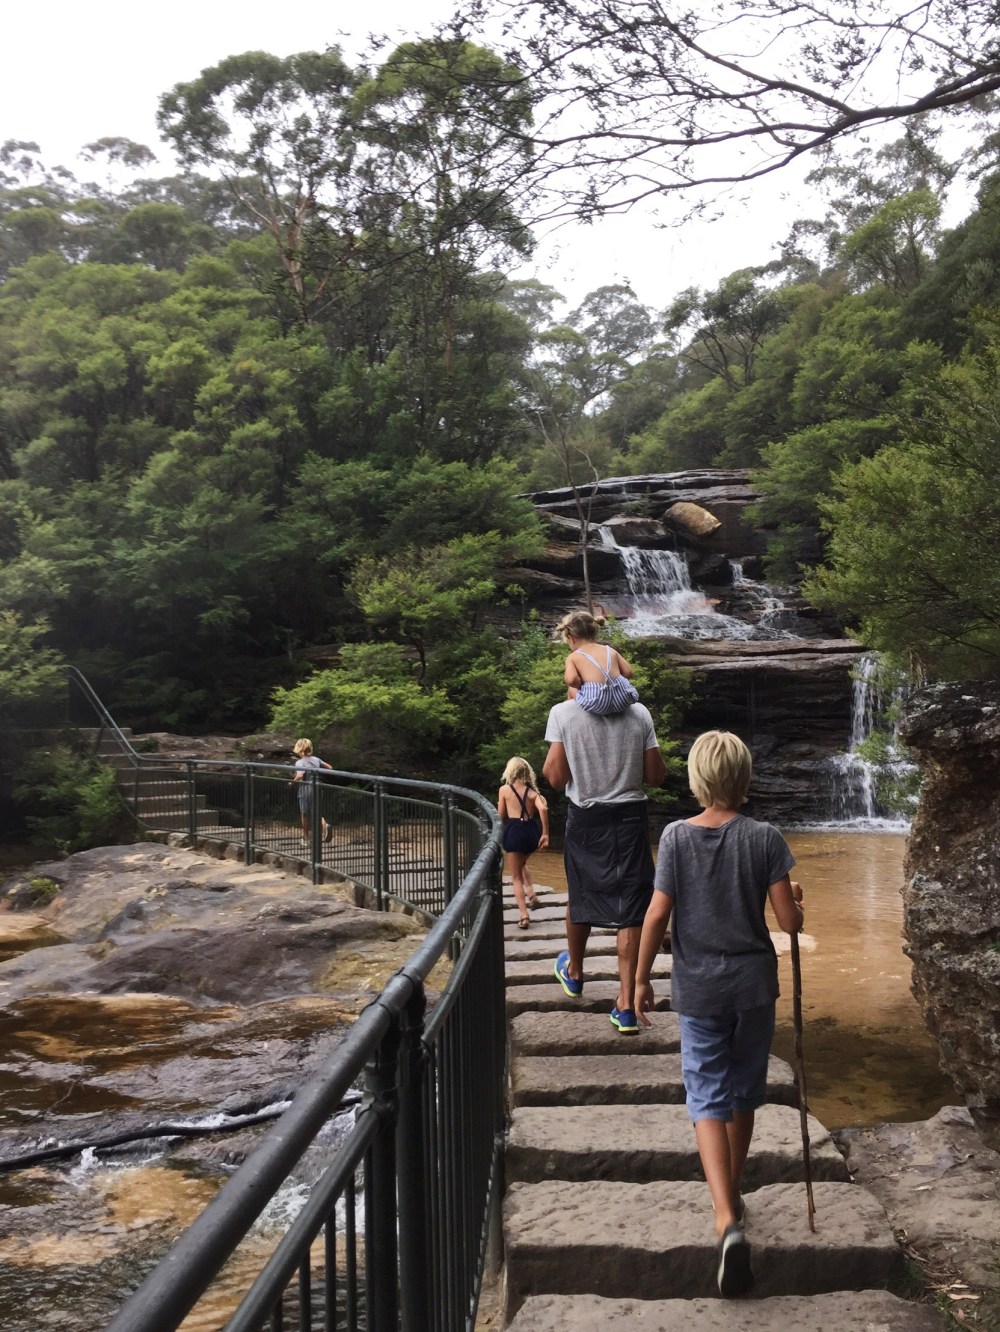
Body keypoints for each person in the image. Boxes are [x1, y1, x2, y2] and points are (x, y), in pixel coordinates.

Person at [634, 729, 804, 1299]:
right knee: (744, 1092)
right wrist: (796, 902)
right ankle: (734, 1191)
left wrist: (638, 980)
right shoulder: (766, 838)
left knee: (706, 1093)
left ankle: (725, 1215)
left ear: (697, 780)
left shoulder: (676, 837)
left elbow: (657, 915)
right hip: (753, 988)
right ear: (745, 778)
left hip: (699, 989)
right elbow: (788, 924)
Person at [542, 677, 666, 1032]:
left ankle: (575, 972)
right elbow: (656, 775)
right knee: (632, 907)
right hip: (630, 819)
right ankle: (626, 1005)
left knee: (581, 891)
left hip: (587, 819)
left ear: (578, 682)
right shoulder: (639, 712)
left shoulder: (563, 713)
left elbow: (555, 778)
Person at [497, 757, 550, 929]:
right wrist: (545, 833)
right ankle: (531, 892)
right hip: (531, 832)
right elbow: (543, 809)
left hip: (514, 831)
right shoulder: (532, 793)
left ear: (510, 771)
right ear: (527, 773)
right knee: (521, 863)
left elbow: (500, 816)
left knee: (515, 877)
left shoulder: (504, 790)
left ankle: (524, 915)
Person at [555, 609, 639, 715]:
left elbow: (571, 680)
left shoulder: (573, 657)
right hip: (623, 698)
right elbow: (628, 672)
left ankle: (569, 714)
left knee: (572, 689)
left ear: (571, 638)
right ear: (595, 632)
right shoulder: (609, 650)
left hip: (596, 702)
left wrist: (582, 685)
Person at [291, 738, 333, 845]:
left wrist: (292, 782)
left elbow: (300, 775)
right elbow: (329, 767)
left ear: (299, 749)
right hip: (317, 787)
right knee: (317, 812)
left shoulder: (299, 762)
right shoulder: (316, 759)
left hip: (305, 789)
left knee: (304, 813)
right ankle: (325, 826)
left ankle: (306, 838)